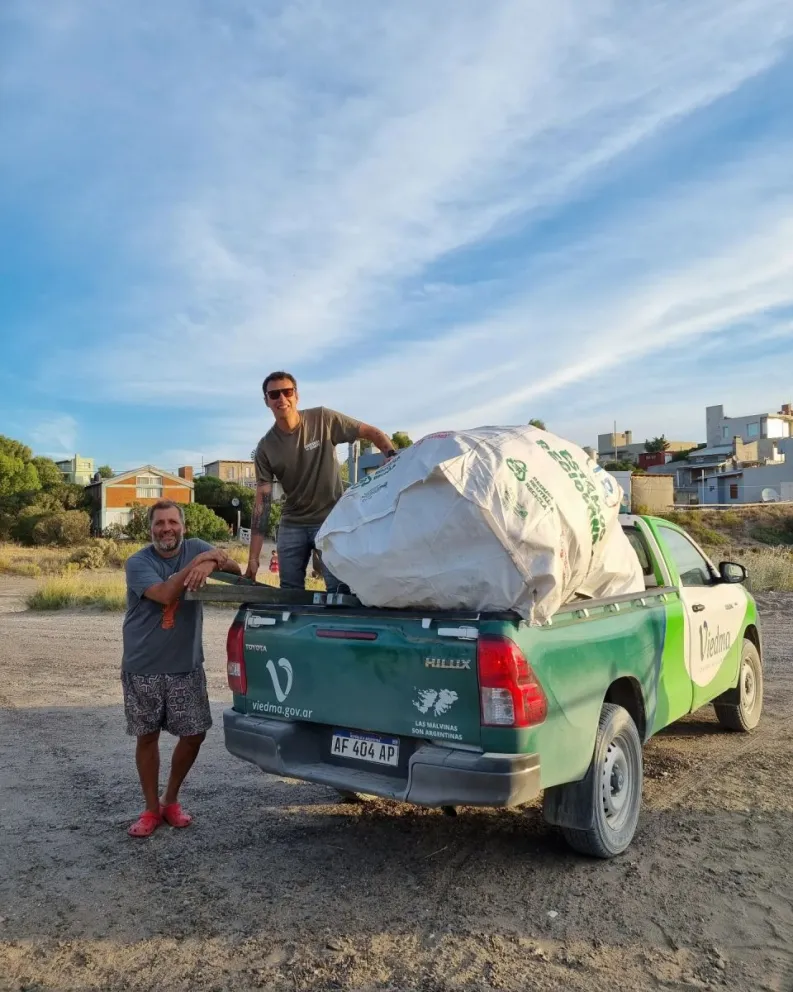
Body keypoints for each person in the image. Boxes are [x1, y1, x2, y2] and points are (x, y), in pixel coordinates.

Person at [122, 499, 241, 837]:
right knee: (147, 737)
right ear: (151, 530)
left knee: (194, 734)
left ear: (183, 526)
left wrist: (214, 559)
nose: (166, 529)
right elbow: (163, 594)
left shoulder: (196, 548)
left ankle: (169, 800)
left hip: (185, 665)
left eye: (172, 522)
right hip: (143, 664)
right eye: (159, 524)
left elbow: (237, 570)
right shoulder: (138, 562)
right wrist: (200, 563)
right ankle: (149, 810)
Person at [245, 370, 396, 590]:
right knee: (289, 592)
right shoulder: (266, 447)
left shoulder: (323, 419)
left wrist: (391, 456)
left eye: (287, 392)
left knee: (339, 589)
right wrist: (253, 558)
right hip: (293, 523)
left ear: (296, 395)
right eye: (274, 394)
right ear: (266, 401)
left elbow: (371, 432)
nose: (282, 399)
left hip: (330, 519)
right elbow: (262, 505)